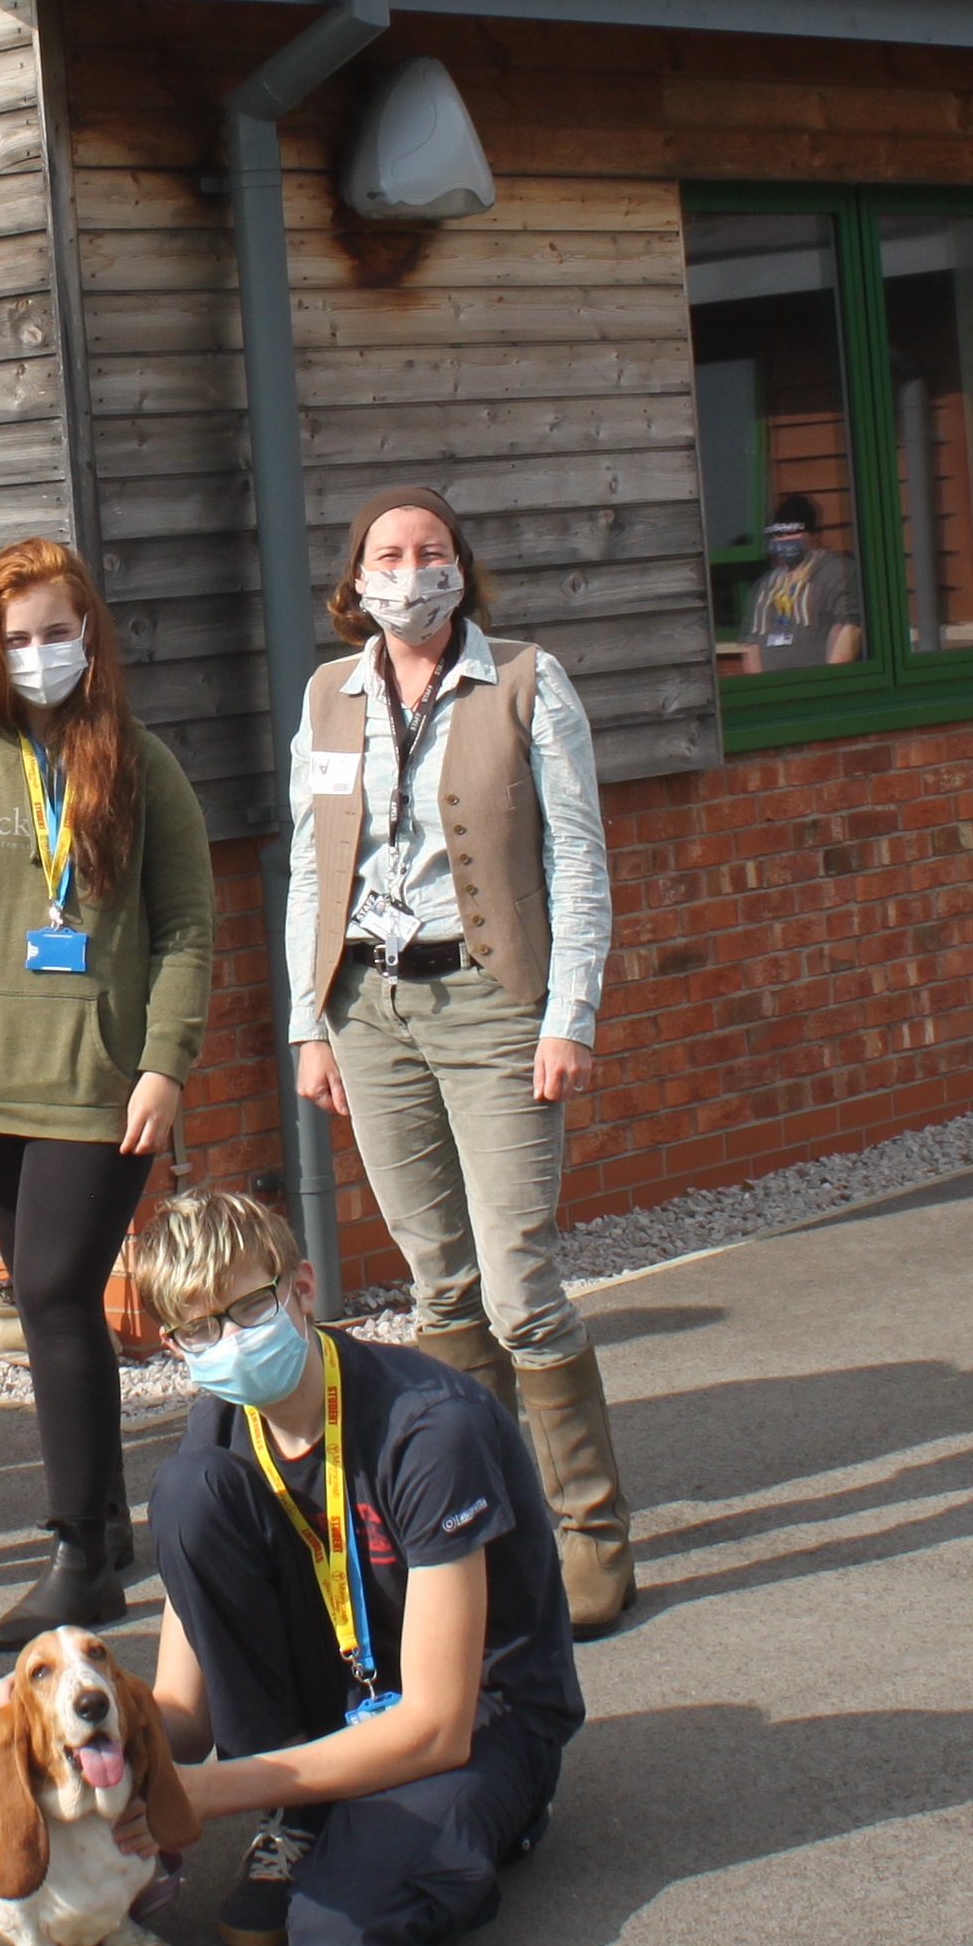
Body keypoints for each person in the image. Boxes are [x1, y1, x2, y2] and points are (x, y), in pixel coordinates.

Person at [282, 484, 632, 1631]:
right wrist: (308, 1021)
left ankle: (588, 1537)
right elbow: (307, 868)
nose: (409, 569)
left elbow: (576, 859)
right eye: (387, 552)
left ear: (460, 568)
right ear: (356, 577)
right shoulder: (329, 695)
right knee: (439, 1286)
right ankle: (490, 1530)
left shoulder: (525, 680)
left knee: (520, 1289)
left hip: (492, 1010)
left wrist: (567, 1015)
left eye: (431, 550)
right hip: (369, 1013)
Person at [124, 1182, 582, 1946]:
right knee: (187, 1491)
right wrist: (82, 1745)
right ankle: (303, 1811)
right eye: (196, 1327)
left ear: (301, 1287)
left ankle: (475, 1824)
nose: (226, 1340)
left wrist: (213, 1792)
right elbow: (183, 1712)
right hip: (347, 1694)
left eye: (244, 1308)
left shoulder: (429, 1428)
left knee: (346, 1943)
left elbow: (437, 1726)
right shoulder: (221, 1427)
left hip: (478, 1716)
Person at [0, 536, 215, 1649]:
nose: (37, 655)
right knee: (51, 1308)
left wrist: (165, 1063)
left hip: (100, 1094)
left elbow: (184, 926)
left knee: (49, 1299)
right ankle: (108, 1536)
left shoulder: (138, 763)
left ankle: (81, 1551)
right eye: (16, 637)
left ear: (90, 638)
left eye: (55, 633)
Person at [739, 492, 867, 670]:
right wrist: (761, 691)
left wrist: (831, 682)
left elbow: (850, 628)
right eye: (778, 534)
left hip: (819, 691)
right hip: (775, 693)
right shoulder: (763, 586)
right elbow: (751, 645)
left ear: (813, 536)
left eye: (793, 532)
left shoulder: (837, 571)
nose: (784, 540)